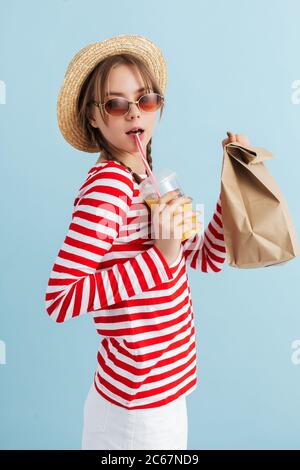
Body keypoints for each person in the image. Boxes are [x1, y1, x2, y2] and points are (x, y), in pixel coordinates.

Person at [45, 33, 249, 450]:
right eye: (116, 104)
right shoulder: (109, 187)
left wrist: (232, 184)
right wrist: (161, 255)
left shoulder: (150, 183)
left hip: (165, 393)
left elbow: (207, 257)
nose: (133, 113)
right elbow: (61, 299)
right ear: (94, 117)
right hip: (134, 410)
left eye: (146, 100)